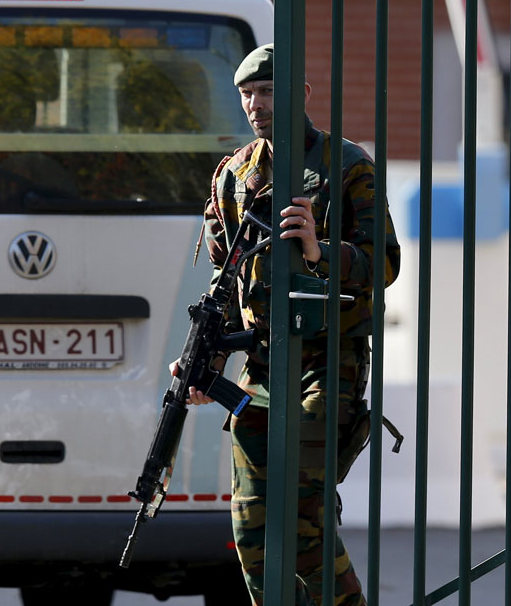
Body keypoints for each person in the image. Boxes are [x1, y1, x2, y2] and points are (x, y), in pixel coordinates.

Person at [176, 44, 401, 605]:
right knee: (252, 530)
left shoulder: (346, 166)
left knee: (299, 522)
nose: (257, 104)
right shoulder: (233, 176)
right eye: (248, 94)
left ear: (300, 94)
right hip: (259, 365)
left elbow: (387, 263)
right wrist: (206, 359)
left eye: (269, 91)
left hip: (328, 362)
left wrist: (322, 251)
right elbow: (225, 282)